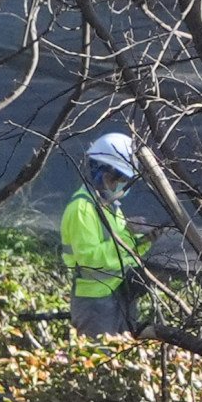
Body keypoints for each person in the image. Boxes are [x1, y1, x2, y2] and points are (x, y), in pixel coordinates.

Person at [67, 130, 157, 336]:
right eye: (117, 178)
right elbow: (91, 259)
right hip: (96, 303)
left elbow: (120, 253)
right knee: (99, 361)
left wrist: (143, 240)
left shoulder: (110, 206)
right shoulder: (82, 208)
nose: (119, 185)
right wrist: (128, 234)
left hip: (118, 296)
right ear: (101, 172)